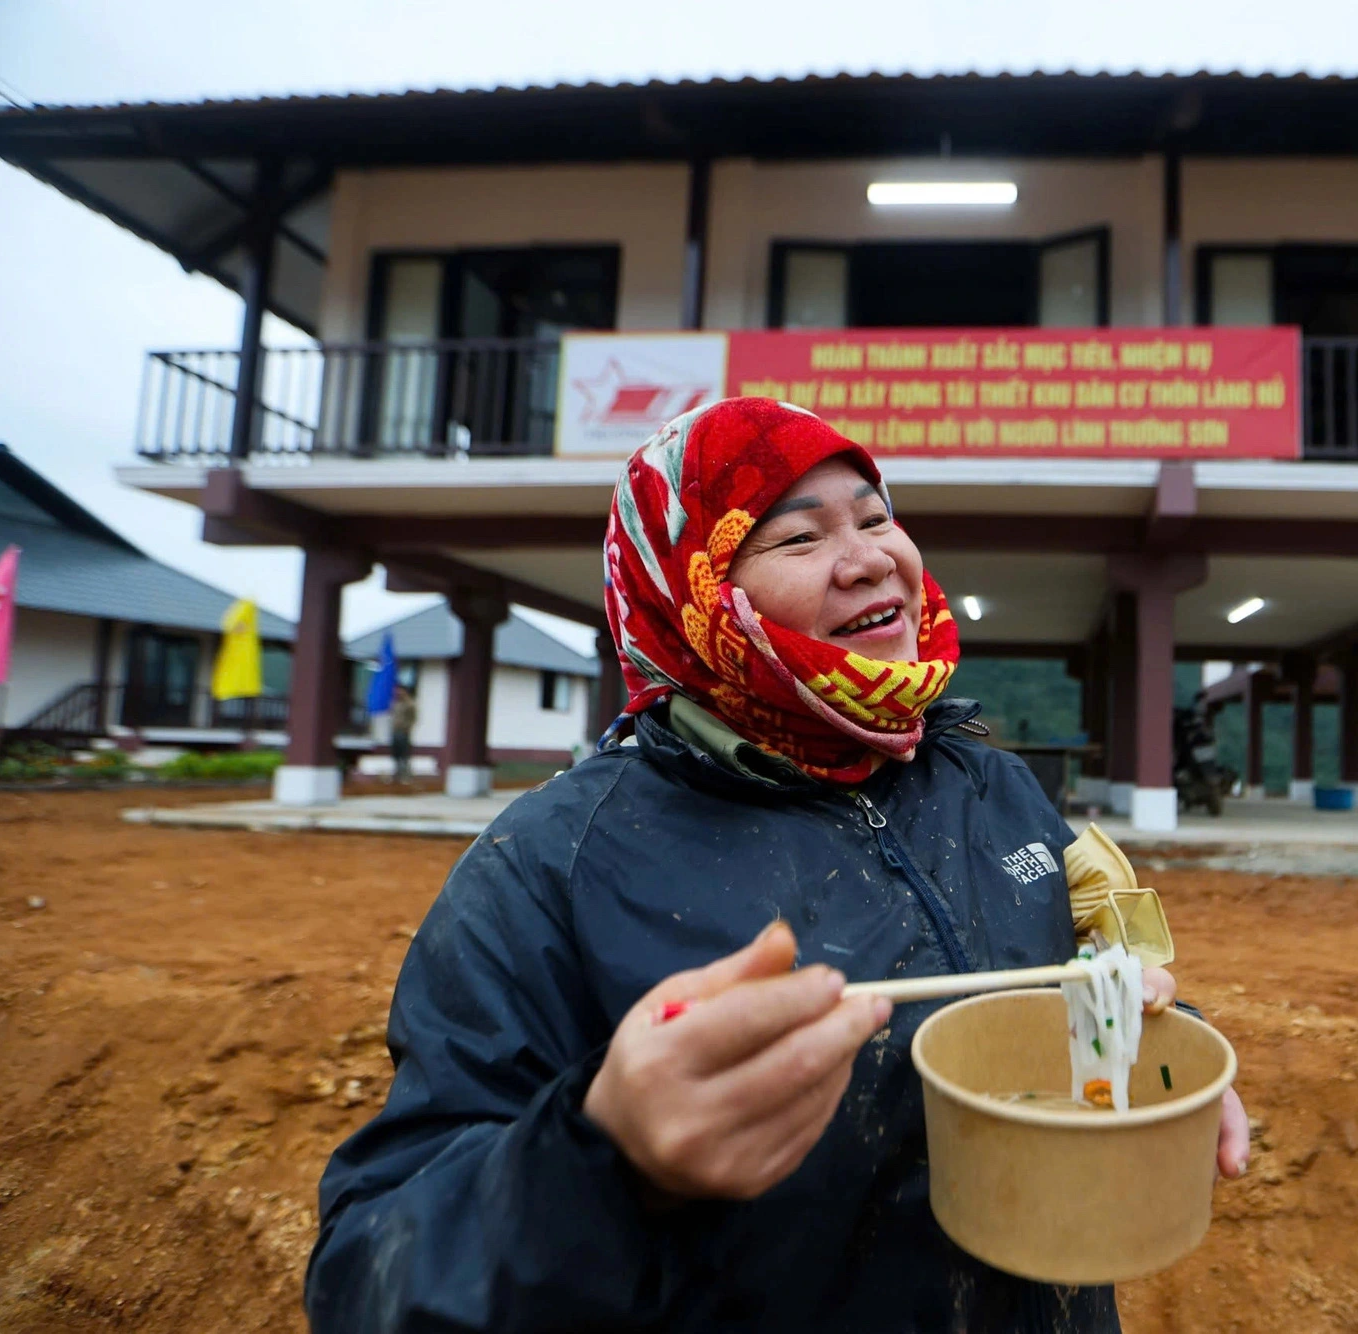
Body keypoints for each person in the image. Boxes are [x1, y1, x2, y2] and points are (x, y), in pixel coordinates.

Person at [305, 399, 1248, 1333]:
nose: (873, 556)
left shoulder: (992, 785)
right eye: (798, 539)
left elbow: (1085, 961)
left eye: (877, 518)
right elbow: (368, 1276)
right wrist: (605, 1157)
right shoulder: (548, 865)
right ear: (694, 593)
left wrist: (1159, 1047)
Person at [388, 682, 417, 785]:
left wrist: (407, 728)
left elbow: (413, 719)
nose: (398, 692)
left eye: (400, 690)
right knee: (396, 755)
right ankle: (396, 776)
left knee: (404, 755)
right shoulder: (395, 703)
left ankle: (406, 777)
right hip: (395, 732)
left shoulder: (410, 704)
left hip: (403, 732)